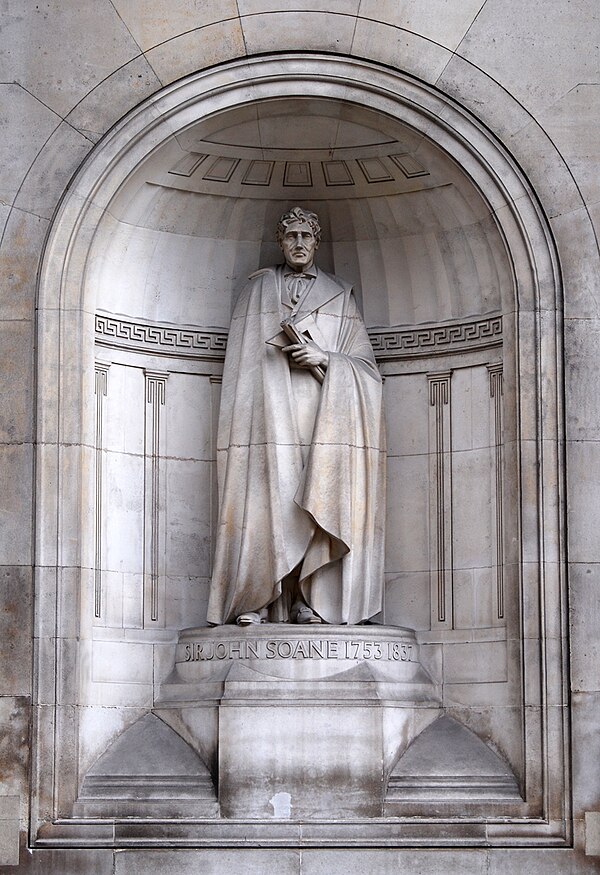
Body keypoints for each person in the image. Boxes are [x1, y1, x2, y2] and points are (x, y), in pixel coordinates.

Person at [206, 207, 386, 626]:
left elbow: (367, 371)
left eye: (307, 235)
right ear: (281, 242)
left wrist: (326, 359)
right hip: (267, 419)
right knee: (266, 505)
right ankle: (261, 599)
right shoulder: (257, 291)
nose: (299, 243)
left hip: (322, 418)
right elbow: (241, 371)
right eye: (291, 237)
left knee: (317, 499)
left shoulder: (340, 294)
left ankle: (312, 599)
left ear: (317, 243)